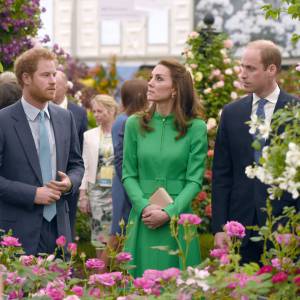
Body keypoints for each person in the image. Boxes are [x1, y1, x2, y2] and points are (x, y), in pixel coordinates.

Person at [212, 40, 300, 264]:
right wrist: (220, 227)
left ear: (271, 70)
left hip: (285, 224)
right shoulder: (231, 113)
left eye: (250, 68)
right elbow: (222, 175)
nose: (242, 74)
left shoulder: (296, 111)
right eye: (241, 67)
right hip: (239, 225)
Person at [122, 59, 207, 277]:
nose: (150, 83)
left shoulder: (196, 128)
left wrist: (169, 212)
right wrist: (144, 207)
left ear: (175, 89)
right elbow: (129, 175)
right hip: (143, 218)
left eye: (158, 79)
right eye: (151, 77)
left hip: (178, 218)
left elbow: (194, 180)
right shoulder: (134, 123)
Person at [0, 47, 84, 255]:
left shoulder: (65, 118)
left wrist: (69, 183)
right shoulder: (3, 121)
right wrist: (33, 194)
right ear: (26, 78)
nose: (53, 81)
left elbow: (76, 164)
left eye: (54, 74)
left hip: (59, 228)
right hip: (17, 230)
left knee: (60, 287)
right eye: (46, 75)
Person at [79, 94, 118, 259]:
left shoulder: (123, 132)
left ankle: (116, 272)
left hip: (118, 191)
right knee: (99, 233)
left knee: (118, 232)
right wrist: (83, 195)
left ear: (111, 110)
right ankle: (99, 272)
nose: (96, 115)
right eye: (94, 111)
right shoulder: (89, 135)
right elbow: (85, 165)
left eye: (99, 111)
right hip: (96, 192)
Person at [111, 79, 148, 247]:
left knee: (124, 231)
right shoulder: (125, 120)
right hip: (125, 182)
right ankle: (101, 271)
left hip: (126, 180)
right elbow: (120, 159)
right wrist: (132, 184)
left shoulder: (128, 119)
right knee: (119, 232)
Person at [52, 70, 88, 239]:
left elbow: (80, 148)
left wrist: (75, 178)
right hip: (47, 179)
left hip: (69, 179)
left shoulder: (78, 112)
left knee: (68, 222)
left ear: (66, 87)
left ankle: (67, 256)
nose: (52, 85)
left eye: (56, 84)